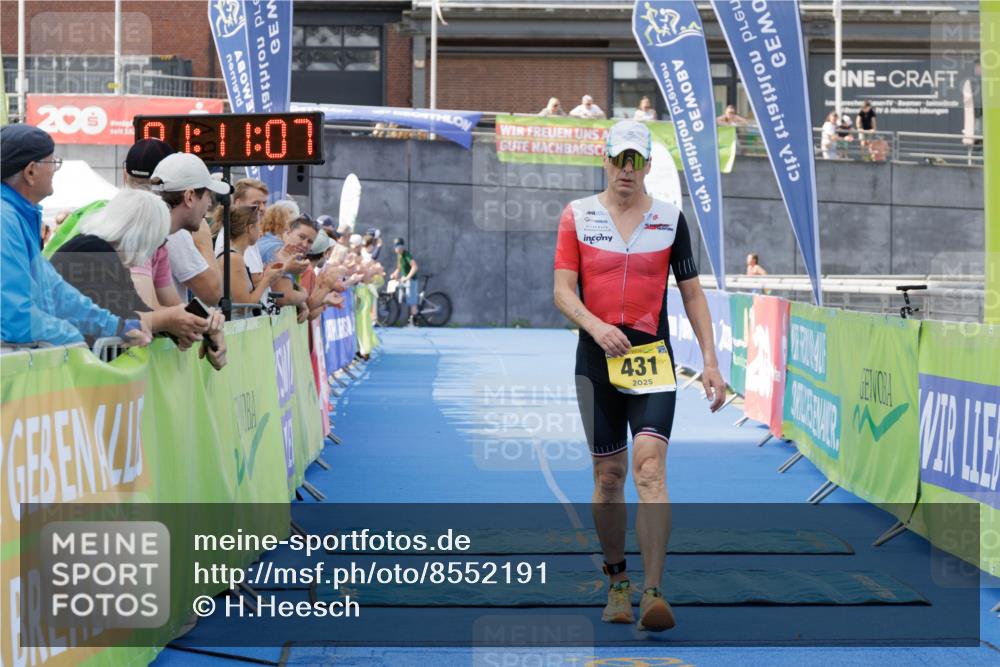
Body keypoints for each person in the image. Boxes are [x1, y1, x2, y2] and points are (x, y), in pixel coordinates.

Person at [552, 120, 726, 632]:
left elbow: (692, 293)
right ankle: (617, 584)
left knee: (650, 471)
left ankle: (654, 591)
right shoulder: (577, 216)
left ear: (648, 166)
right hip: (596, 358)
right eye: (618, 159)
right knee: (609, 478)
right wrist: (596, 325)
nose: (626, 169)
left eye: (636, 161)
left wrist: (711, 361)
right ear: (604, 160)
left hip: (653, 359)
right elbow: (563, 290)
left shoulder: (671, 220)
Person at [1, 123, 149, 347]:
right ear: (30, 171)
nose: (55, 170)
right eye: (53, 162)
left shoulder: (16, 216)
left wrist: (115, 326)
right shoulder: (6, 219)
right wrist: (75, 345)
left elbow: (55, 291)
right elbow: (16, 319)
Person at [50, 189, 219, 356]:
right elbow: (114, 317)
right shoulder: (93, 251)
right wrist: (170, 320)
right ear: (144, 236)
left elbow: (135, 310)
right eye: (157, 241)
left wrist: (178, 326)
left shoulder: (103, 252)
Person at [153, 153, 231, 306]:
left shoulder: (159, 239)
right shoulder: (150, 237)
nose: (209, 204)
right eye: (208, 195)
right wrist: (204, 244)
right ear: (189, 197)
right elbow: (213, 294)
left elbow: (169, 309)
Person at [216, 205, 286, 309]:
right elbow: (244, 306)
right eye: (259, 225)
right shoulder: (234, 258)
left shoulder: (233, 255)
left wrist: (266, 276)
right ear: (250, 228)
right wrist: (266, 280)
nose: (261, 230)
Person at [213, 177, 270, 287]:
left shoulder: (245, 230)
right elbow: (254, 280)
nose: (262, 208)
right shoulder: (240, 234)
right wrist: (280, 270)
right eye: (256, 203)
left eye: (264, 203)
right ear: (237, 203)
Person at [391, 237, 420, 326]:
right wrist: (395, 273)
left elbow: (415, 267)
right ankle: (411, 320)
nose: (397, 249)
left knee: (412, 302)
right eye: (396, 247)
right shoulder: (399, 256)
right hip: (405, 281)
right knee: (406, 299)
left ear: (402, 247)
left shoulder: (407, 255)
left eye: (399, 246)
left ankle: (415, 323)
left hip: (411, 281)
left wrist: (407, 277)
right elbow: (399, 267)